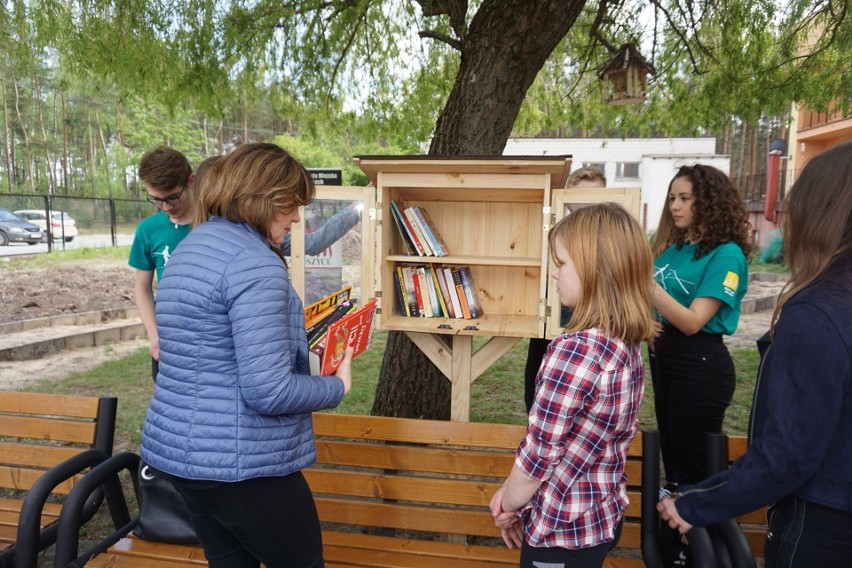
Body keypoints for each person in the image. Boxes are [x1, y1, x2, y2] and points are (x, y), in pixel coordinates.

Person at [140, 142, 353, 568]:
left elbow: (211, 350)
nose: (295, 217)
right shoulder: (256, 265)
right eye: (289, 205)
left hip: (184, 459)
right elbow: (267, 391)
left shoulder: (190, 250)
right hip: (244, 466)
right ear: (260, 199)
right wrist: (338, 385)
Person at [657, 141, 852, 567]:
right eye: (672, 197)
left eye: (685, 197)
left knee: (692, 464)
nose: (675, 205)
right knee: (675, 463)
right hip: (666, 358)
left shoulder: (816, 311)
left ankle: (693, 545)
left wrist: (697, 505)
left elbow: (789, 452)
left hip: (823, 518)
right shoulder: (673, 249)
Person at [490, 203, 659, 568]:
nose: (553, 274)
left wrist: (506, 502)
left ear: (597, 270)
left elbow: (540, 453)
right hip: (598, 518)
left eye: (561, 263)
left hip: (561, 533)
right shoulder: (624, 343)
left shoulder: (577, 350)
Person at [523, 166, 607, 412]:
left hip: (594, 330)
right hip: (552, 329)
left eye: (594, 200)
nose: (586, 209)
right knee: (538, 399)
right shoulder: (551, 237)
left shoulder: (610, 243)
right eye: (580, 201)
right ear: (568, 203)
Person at [129, 146, 195, 381]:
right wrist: (154, 334)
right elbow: (142, 287)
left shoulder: (213, 223)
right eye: (156, 200)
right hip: (169, 341)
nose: (166, 207)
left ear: (191, 182)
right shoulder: (147, 230)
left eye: (172, 198)